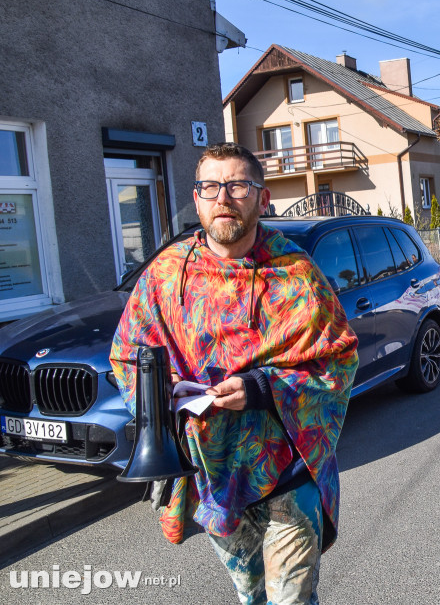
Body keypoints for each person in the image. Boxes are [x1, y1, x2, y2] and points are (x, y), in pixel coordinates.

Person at [109, 142, 358, 604]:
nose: (223, 197)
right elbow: (127, 357)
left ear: (262, 199)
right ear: (197, 197)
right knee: (251, 597)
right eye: (210, 186)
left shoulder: (298, 275)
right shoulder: (165, 275)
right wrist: (156, 392)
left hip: (288, 474)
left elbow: (339, 362)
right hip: (214, 478)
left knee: (291, 600)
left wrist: (261, 388)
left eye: (238, 185)